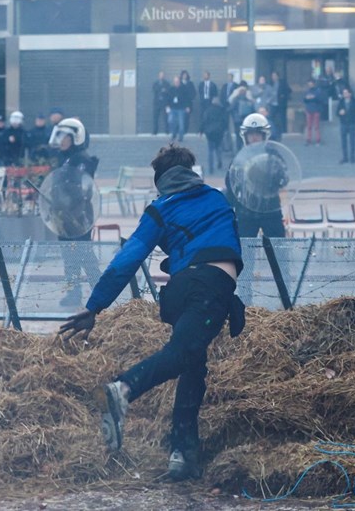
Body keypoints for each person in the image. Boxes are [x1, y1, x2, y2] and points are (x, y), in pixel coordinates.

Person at [58, 145, 244, 482]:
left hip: (185, 287)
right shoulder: (217, 199)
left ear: (161, 181)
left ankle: (183, 454)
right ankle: (123, 389)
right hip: (210, 287)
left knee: (192, 364)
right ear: (192, 171)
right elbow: (226, 241)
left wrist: (94, 305)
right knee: (181, 354)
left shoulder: (160, 208)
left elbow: (128, 259)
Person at [48, 118, 101, 306]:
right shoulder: (66, 159)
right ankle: (73, 293)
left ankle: (100, 292)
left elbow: (81, 190)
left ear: (76, 138)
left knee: (85, 255)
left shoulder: (83, 160)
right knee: (69, 257)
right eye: (60, 136)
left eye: (65, 137)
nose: (61, 140)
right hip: (64, 216)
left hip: (79, 216)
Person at [226, 113, 287, 238]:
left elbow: (284, 178)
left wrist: (274, 177)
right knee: (245, 250)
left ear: (264, 135)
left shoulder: (273, 155)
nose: (254, 137)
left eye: (257, 134)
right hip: (246, 211)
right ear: (245, 136)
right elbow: (230, 183)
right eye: (251, 134)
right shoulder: (239, 158)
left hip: (270, 209)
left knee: (279, 249)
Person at [200, 98, 228, 176]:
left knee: (210, 150)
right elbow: (225, 121)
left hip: (210, 132)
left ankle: (210, 168)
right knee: (218, 148)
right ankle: (219, 161)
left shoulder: (208, 110)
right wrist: (225, 129)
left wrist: (201, 130)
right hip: (219, 132)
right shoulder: (222, 110)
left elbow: (204, 120)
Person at [337, 87, 355, 163]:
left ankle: (352, 157)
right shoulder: (341, 102)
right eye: (343, 93)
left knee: (352, 141)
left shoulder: (354, 102)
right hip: (343, 123)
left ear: (350, 94)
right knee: (343, 141)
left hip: (352, 124)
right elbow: (337, 112)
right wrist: (340, 113)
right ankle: (345, 157)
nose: (345, 94)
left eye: (346, 93)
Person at [302, 80, 325, 145]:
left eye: (311, 84)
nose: (310, 85)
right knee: (309, 126)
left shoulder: (318, 91)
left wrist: (311, 98)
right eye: (309, 84)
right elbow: (304, 100)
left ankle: (318, 140)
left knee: (316, 126)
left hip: (316, 110)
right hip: (309, 110)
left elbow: (320, 99)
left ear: (314, 84)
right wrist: (309, 98)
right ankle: (308, 139)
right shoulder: (307, 91)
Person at [167, 75, 188, 143]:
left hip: (181, 108)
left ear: (179, 82)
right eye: (175, 82)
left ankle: (181, 137)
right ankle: (174, 134)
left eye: (177, 81)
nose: (176, 83)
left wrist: (187, 106)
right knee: (171, 121)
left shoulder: (183, 88)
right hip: (172, 108)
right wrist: (167, 106)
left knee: (181, 124)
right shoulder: (171, 89)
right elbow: (168, 98)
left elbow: (187, 99)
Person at [152, 71, 171, 135]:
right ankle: (155, 131)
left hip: (164, 103)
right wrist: (162, 89)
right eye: (160, 75)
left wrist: (163, 90)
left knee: (166, 117)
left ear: (164, 76)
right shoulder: (155, 83)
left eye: (162, 75)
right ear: (158, 76)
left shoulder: (167, 83)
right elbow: (154, 89)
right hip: (157, 103)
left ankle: (167, 131)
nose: (161, 76)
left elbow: (168, 91)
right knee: (155, 118)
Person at [179, 70, 196, 136]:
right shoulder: (179, 83)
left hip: (188, 104)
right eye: (183, 75)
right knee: (180, 118)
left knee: (186, 118)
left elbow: (194, 93)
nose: (184, 76)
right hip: (180, 104)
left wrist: (190, 98)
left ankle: (185, 131)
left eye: (185, 75)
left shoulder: (190, 83)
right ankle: (180, 131)